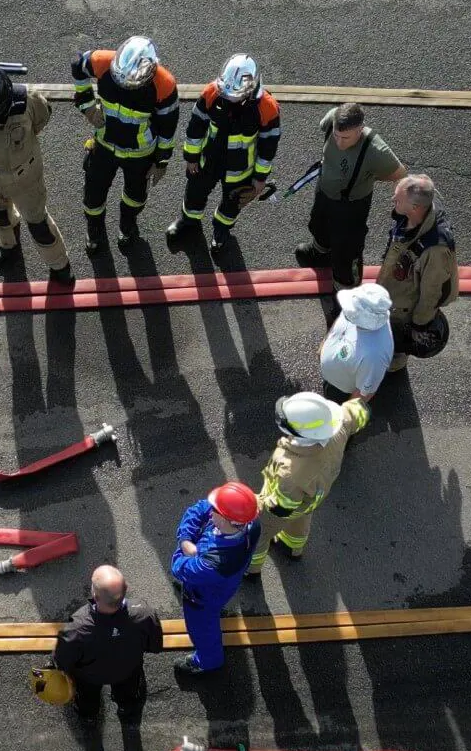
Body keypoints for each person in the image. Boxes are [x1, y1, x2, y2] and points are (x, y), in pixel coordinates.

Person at [0, 62, 74, 283]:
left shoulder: (27, 100)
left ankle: (59, 264)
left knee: (39, 225)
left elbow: (42, 117)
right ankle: (8, 245)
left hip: (25, 178)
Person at [71, 35, 181, 253]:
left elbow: (168, 129)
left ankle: (127, 226)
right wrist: (86, 104)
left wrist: (161, 161)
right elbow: (77, 65)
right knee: (93, 194)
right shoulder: (103, 61)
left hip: (140, 154)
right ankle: (94, 230)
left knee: (135, 197)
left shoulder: (165, 85)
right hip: (104, 144)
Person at [166, 54, 281, 253]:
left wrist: (260, 178)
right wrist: (191, 157)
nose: (228, 97)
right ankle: (189, 222)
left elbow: (268, 148)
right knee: (195, 192)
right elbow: (196, 126)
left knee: (232, 204)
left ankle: (221, 230)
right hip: (209, 159)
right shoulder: (212, 92)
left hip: (241, 168)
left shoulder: (267, 108)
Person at [248, 392, 371, 576]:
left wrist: (255, 504)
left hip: (286, 505)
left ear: (299, 432)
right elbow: (359, 411)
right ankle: (292, 548)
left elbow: (280, 509)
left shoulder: (291, 474)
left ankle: (251, 568)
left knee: (258, 532)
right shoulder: (340, 422)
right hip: (313, 496)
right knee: (301, 520)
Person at [295, 102, 406, 286]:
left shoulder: (376, 150)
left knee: (346, 253)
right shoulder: (333, 118)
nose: (339, 142)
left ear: (360, 129)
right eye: (336, 136)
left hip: (350, 206)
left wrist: (368, 177)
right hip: (325, 192)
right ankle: (321, 254)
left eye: (345, 138)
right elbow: (325, 126)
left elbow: (399, 174)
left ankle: (346, 294)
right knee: (318, 224)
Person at [50, 565, 164, 726]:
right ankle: (126, 708)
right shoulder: (144, 613)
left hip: (89, 677)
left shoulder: (77, 628)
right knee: (128, 693)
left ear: (95, 596)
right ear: (126, 588)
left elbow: (62, 661)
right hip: (128, 671)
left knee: (87, 697)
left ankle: (88, 715)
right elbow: (155, 646)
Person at [169, 482, 261, 678]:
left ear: (228, 520)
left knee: (202, 630)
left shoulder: (214, 564)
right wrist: (186, 538)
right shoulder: (249, 522)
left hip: (202, 598)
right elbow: (200, 508)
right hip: (221, 584)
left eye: (215, 511)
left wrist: (185, 547)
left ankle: (208, 661)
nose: (210, 512)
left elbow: (178, 567)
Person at [379, 174, 459, 369]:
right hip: (395, 284)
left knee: (398, 334)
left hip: (405, 305)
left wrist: (419, 324)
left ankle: (396, 362)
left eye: (397, 199)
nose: (392, 201)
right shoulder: (414, 215)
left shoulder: (436, 250)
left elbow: (431, 294)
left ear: (415, 208)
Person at [318, 282, 395, 402]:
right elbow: (341, 320)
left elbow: (364, 393)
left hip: (341, 392)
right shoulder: (355, 310)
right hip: (333, 377)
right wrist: (324, 343)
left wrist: (346, 415)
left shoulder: (375, 355)